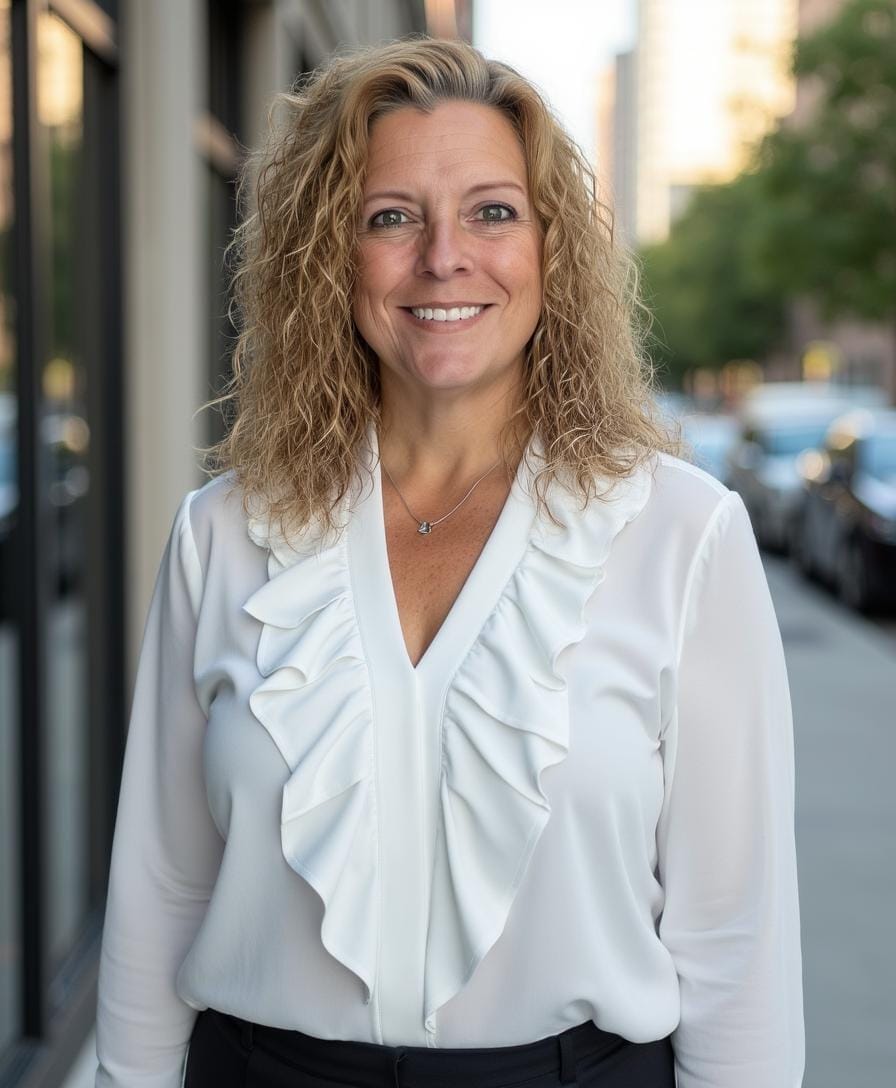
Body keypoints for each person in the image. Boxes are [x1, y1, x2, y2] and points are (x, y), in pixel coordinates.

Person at [94, 35, 805, 1088]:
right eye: (391, 217)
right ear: (328, 253)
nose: (442, 257)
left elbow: (734, 937)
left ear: (550, 247)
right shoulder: (223, 533)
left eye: (490, 210)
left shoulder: (680, 535)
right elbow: (159, 890)